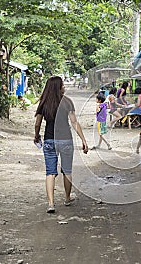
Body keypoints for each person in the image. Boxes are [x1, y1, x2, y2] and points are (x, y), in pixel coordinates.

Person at [34, 76, 88, 213]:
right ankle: (68, 197)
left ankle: (51, 204)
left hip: (49, 140)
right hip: (66, 140)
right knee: (67, 171)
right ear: (58, 87)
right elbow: (74, 122)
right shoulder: (67, 102)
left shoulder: (44, 102)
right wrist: (83, 140)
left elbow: (37, 123)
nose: (64, 87)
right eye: (63, 85)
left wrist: (36, 136)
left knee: (50, 173)